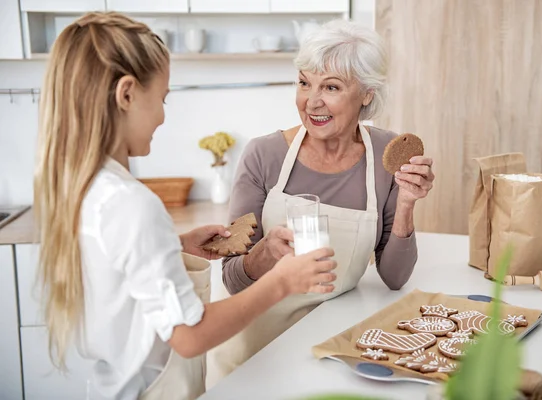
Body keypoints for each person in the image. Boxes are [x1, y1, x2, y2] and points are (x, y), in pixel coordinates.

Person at [33, 12, 336, 400]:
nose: (162, 116)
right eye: (161, 98)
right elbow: (190, 337)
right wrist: (283, 281)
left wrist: (174, 247)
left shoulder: (87, 187)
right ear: (126, 94)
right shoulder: (133, 204)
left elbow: (118, 265)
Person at [213, 19, 435, 377]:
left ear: (367, 94)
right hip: (257, 345)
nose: (311, 101)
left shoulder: (385, 156)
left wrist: (407, 202)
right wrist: (265, 252)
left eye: (330, 87)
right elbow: (232, 280)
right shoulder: (263, 155)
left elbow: (394, 277)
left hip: (335, 342)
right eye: (304, 83)